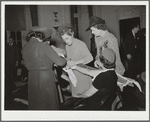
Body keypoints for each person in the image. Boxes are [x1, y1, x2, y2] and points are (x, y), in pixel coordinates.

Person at [22, 27, 67, 110]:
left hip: (32, 78)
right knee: (49, 103)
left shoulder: (25, 48)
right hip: (46, 77)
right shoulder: (43, 45)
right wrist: (64, 59)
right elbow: (60, 62)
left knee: (36, 103)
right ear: (40, 36)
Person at [57, 25, 93, 96]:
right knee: (76, 98)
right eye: (64, 40)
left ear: (72, 34)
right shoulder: (67, 46)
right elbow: (72, 58)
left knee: (82, 99)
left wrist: (75, 62)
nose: (66, 41)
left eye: (67, 38)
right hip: (74, 76)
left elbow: (90, 58)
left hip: (82, 76)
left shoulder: (80, 44)